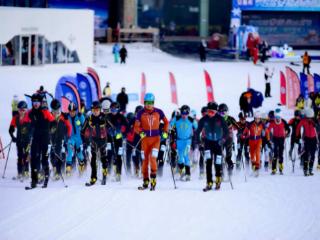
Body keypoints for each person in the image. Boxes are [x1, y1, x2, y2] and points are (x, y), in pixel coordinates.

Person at [134, 93, 169, 191]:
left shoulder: (159, 112)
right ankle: (145, 180)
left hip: (156, 139)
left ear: (153, 103)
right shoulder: (140, 113)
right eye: (147, 103)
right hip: (145, 140)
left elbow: (166, 122)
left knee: (153, 158)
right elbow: (136, 127)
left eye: (151, 103)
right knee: (144, 160)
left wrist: (165, 132)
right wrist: (140, 132)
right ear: (144, 103)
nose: (149, 105)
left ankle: (153, 178)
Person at [195, 101, 229, 191]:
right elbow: (197, 132)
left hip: (218, 144)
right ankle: (209, 182)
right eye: (209, 111)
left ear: (216, 112)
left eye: (212, 112)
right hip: (208, 144)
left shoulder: (220, 119)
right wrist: (199, 143)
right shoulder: (204, 119)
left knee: (218, 163)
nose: (210, 114)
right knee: (208, 163)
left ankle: (218, 180)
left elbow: (226, 132)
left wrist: (223, 140)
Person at [26, 93, 55, 189]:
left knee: (44, 159)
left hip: (45, 138)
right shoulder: (30, 113)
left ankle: (46, 178)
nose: (35, 103)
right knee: (34, 159)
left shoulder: (45, 112)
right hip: (35, 138)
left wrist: (51, 130)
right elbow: (26, 124)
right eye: (34, 101)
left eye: (37, 101)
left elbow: (53, 122)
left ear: (40, 102)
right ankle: (34, 180)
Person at [81, 101, 110, 186]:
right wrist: (84, 140)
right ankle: (93, 177)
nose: (95, 112)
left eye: (97, 110)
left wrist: (113, 131)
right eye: (93, 110)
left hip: (103, 140)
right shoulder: (89, 118)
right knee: (93, 159)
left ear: (100, 109)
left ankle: (104, 173)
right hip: (93, 140)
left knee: (103, 157)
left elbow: (112, 127)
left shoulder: (104, 116)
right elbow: (82, 130)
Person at [170, 105, 197, 181]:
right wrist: (169, 129)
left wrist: (200, 134)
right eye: (182, 113)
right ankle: (182, 171)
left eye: (186, 113)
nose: (184, 115)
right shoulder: (177, 118)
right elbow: (170, 124)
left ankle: (188, 174)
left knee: (185, 155)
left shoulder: (191, 120)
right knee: (180, 158)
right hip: (179, 141)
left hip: (188, 141)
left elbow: (198, 127)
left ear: (189, 113)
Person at [49, 99, 72, 180]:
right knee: (52, 155)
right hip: (52, 139)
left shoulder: (63, 116)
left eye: (57, 110)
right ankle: (55, 169)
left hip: (61, 138)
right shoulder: (49, 116)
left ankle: (60, 171)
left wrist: (68, 136)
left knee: (60, 154)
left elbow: (69, 126)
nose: (55, 112)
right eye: (54, 110)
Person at [105, 102, 128, 181]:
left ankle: (118, 173)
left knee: (118, 156)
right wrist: (107, 131)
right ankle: (108, 172)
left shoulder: (121, 117)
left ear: (118, 110)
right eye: (112, 109)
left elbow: (127, 127)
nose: (113, 111)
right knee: (109, 155)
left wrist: (122, 134)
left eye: (115, 109)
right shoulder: (107, 116)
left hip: (118, 139)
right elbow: (103, 126)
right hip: (110, 139)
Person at [9, 100, 31, 180]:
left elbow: (33, 128)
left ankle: (26, 171)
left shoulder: (29, 117)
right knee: (20, 156)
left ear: (26, 110)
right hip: (19, 140)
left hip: (27, 141)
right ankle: (19, 172)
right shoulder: (16, 118)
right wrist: (12, 136)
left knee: (26, 155)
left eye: (23, 110)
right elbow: (11, 129)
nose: (21, 112)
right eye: (20, 110)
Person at [243, 111, 268, 177]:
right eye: (256, 118)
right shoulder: (250, 124)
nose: (257, 120)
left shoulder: (262, 124)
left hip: (259, 140)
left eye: (258, 118)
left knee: (257, 153)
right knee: (252, 155)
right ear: (254, 118)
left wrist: (267, 138)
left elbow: (266, 131)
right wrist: (244, 135)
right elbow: (246, 130)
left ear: (260, 118)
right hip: (251, 141)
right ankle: (253, 166)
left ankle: (257, 167)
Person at [296, 108, 317, 176]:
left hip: (314, 139)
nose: (309, 119)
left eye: (311, 118)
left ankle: (310, 169)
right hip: (307, 139)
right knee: (306, 154)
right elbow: (298, 127)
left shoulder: (314, 121)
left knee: (313, 155)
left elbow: (318, 126)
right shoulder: (303, 121)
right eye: (308, 118)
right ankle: (305, 169)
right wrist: (297, 136)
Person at [66, 102, 85, 176]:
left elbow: (85, 127)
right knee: (70, 150)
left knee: (79, 153)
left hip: (79, 138)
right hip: (71, 137)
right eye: (70, 111)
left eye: (73, 111)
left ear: (75, 111)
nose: (72, 113)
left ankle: (81, 166)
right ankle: (68, 168)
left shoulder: (80, 116)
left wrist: (80, 124)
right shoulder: (67, 117)